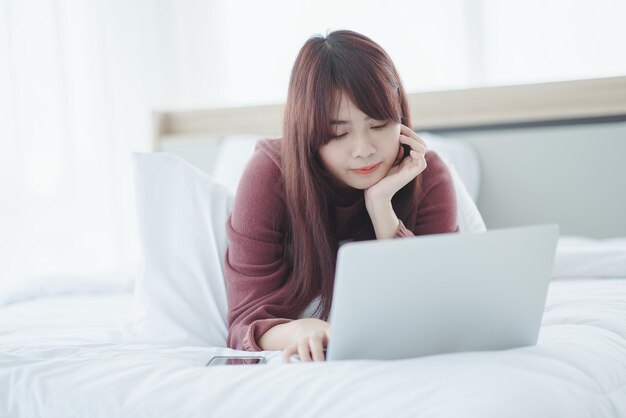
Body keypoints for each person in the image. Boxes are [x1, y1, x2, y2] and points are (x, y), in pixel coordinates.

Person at [224, 30, 459, 363]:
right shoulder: (270, 176)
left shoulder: (428, 175)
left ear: (401, 118)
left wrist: (381, 206)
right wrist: (299, 330)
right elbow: (244, 322)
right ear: (307, 133)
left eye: (379, 125)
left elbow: (438, 310)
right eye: (338, 133)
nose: (363, 150)